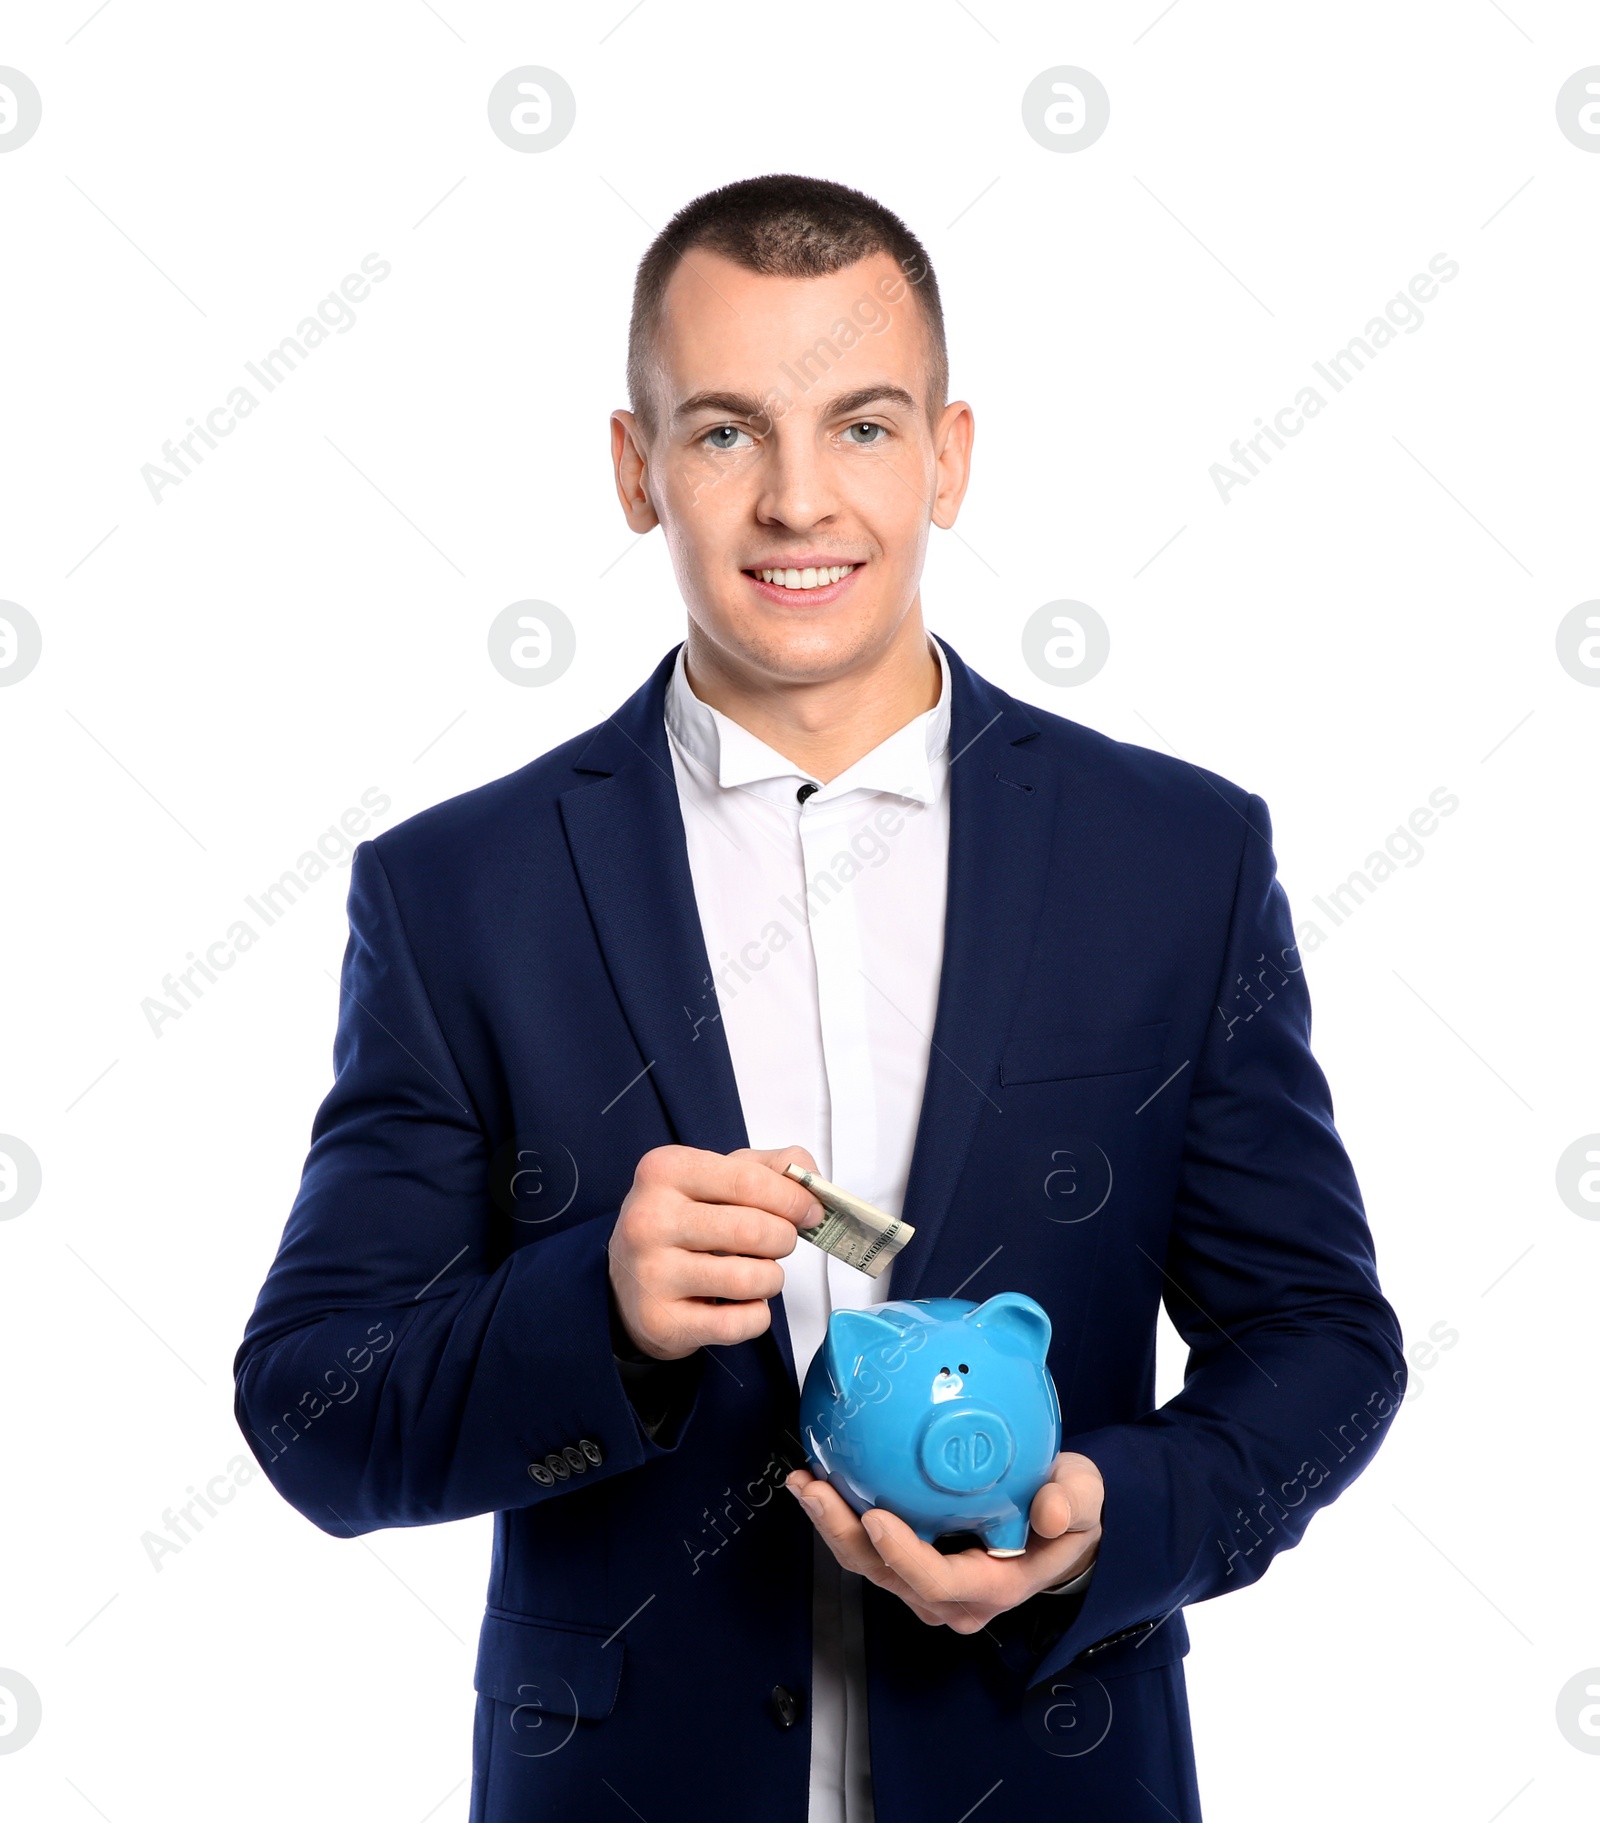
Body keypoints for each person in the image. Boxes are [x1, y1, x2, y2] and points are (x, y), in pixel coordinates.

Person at [234, 174, 1404, 1822]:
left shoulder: (1176, 858)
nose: (797, 499)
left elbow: (1323, 1343)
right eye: (724, 432)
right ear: (637, 472)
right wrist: (602, 1312)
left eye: (860, 426)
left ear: (950, 454)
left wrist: (1104, 1523)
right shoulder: (457, 894)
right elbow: (313, 1410)